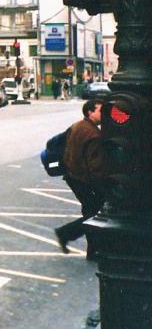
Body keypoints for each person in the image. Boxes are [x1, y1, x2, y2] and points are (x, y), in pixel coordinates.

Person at [55, 99, 110, 259]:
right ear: (90, 112)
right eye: (101, 111)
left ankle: (92, 251)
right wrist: (102, 188)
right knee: (95, 215)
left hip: (73, 176)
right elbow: (95, 166)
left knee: (91, 213)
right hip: (84, 180)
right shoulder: (93, 134)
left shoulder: (77, 126)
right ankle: (66, 234)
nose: (103, 114)